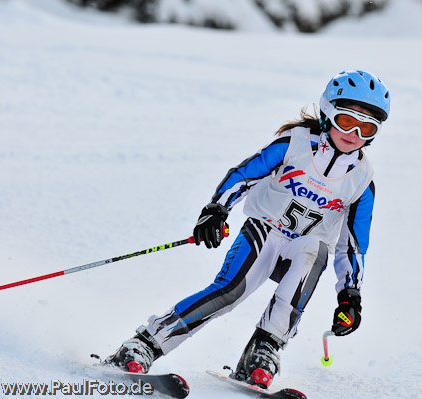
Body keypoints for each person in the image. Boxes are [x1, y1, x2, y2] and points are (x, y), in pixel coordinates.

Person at [104, 70, 390, 388]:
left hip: (304, 247)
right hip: (265, 230)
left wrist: (349, 295)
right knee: (230, 292)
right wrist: (216, 211)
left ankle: (263, 351)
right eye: (345, 120)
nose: (353, 133)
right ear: (327, 114)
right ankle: (144, 345)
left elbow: (351, 245)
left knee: (315, 250)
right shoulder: (294, 144)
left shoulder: (361, 179)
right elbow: (243, 175)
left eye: (367, 127)